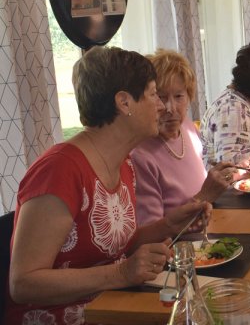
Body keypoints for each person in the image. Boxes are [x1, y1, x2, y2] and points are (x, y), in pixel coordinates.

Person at [4, 47, 211, 324]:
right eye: (153, 94)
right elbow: (23, 284)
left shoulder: (123, 162)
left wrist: (170, 225)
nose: (162, 106)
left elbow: (118, 246)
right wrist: (122, 273)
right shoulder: (59, 170)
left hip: (112, 306)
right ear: (124, 103)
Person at [131, 50, 250, 226]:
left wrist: (232, 174)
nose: (170, 108)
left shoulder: (187, 128)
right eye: (160, 97)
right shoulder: (140, 155)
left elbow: (203, 185)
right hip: (183, 248)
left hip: (211, 227)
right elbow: (152, 234)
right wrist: (204, 197)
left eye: (178, 96)